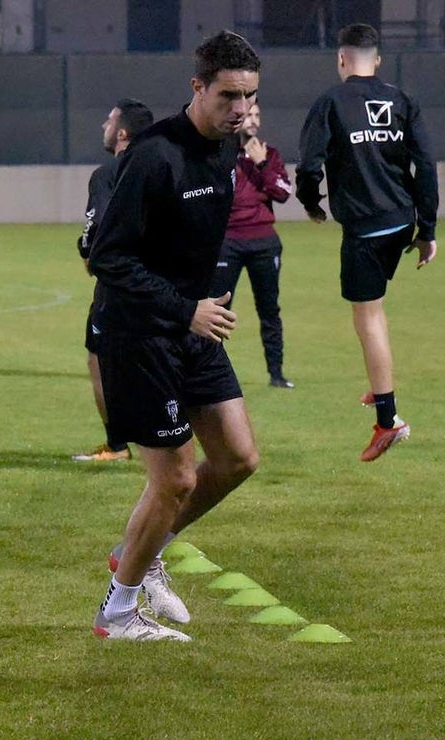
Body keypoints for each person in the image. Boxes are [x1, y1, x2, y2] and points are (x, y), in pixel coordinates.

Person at [88, 31, 262, 642]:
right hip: (140, 335)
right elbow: (107, 257)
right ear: (198, 87)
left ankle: (141, 551)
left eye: (249, 96)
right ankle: (118, 611)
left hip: (192, 326)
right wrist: (182, 307)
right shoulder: (155, 154)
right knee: (177, 478)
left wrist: (199, 304)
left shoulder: (227, 148)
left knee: (239, 458)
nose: (240, 108)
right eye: (228, 95)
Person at [296, 23, 438, 462]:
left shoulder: (330, 102)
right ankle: (380, 386)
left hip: (366, 228)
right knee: (372, 311)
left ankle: (389, 419)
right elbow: (426, 165)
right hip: (399, 222)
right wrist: (427, 229)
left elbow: (308, 165)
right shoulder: (402, 99)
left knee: (368, 317)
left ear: (341, 59)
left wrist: (312, 205)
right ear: (375, 60)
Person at [71, 98, 153, 463]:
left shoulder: (108, 173)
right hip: (161, 284)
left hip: (118, 285)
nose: (103, 127)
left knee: (100, 360)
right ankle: (169, 438)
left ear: (122, 133)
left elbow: (96, 227)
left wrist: (87, 251)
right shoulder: (161, 166)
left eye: (108, 121)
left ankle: (117, 444)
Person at [209, 102, 295, 388]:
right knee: (218, 309)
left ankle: (277, 374)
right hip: (228, 243)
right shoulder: (221, 154)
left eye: (258, 114)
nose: (254, 119)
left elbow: (283, 193)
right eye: (249, 114)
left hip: (264, 243)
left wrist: (261, 164)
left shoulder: (270, 155)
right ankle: (207, 372)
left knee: (269, 309)